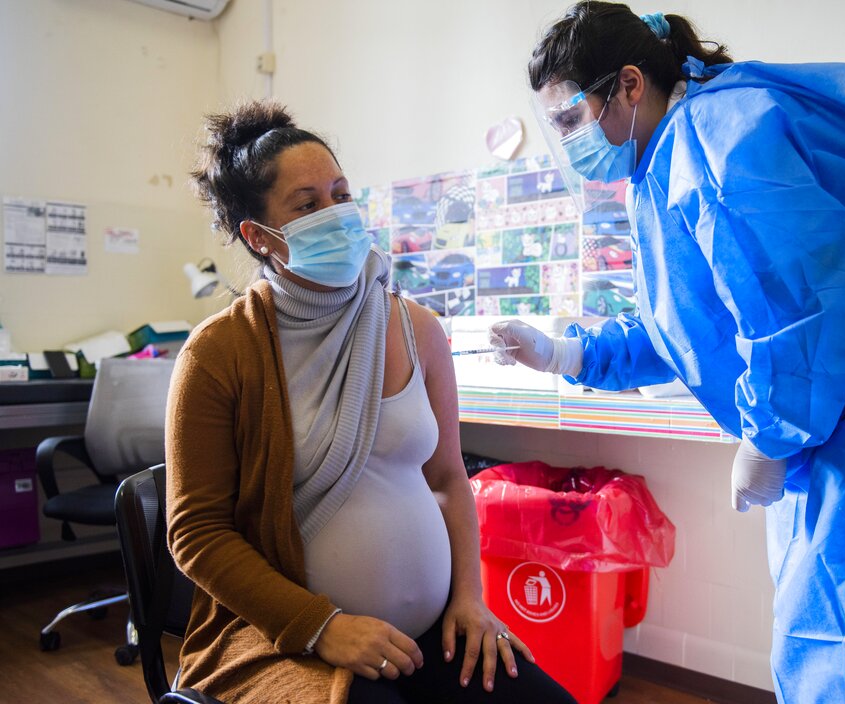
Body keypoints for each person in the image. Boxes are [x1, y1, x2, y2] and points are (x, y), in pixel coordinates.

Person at [490, 3, 845, 702]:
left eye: (568, 121)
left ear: (627, 84)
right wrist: (566, 354)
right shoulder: (672, 158)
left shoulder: (712, 138)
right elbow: (693, 326)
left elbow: (809, 304)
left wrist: (772, 435)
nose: (565, 144)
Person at [167, 100, 576, 704]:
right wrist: (320, 627)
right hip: (290, 638)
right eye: (307, 205)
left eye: (340, 193)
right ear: (259, 237)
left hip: (436, 630)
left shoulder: (417, 328)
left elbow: (448, 478)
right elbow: (197, 533)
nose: (336, 215)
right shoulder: (219, 353)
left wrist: (469, 597)